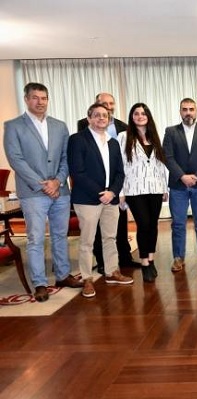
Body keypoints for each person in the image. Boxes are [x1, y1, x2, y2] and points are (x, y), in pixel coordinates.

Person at [4, 82, 82, 302]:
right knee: (35, 238)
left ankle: (63, 275)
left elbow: (66, 157)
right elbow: (16, 160)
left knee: (60, 235)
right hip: (33, 192)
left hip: (60, 191)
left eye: (44, 98)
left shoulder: (59, 126)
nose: (40, 102)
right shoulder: (13, 126)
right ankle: (39, 283)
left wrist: (57, 181)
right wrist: (43, 185)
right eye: (35, 97)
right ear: (26, 99)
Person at [68, 103, 133, 298]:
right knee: (87, 241)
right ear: (89, 118)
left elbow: (120, 172)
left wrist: (112, 192)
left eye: (105, 115)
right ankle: (87, 278)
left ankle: (112, 272)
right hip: (87, 199)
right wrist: (100, 193)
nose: (101, 118)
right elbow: (77, 172)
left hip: (111, 199)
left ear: (109, 119)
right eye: (96, 115)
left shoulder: (113, 143)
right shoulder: (78, 140)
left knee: (110, 237)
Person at [77, 92, 139, 273]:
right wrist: (100, 191)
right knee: (94, 234)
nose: (108, 108)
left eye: (111, 104)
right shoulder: (82, 129)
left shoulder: (122, 128)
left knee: (116, 229)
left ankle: (123, 260)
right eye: (104, 104)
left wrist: (115, 190)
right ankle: (99, 265)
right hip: (92, 192)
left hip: (115, 189)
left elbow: (123, 163)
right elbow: (81, 166)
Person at [118, 103, 168, 283]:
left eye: (143, 113)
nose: (140, 116)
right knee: (143, 224)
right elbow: (120, 165)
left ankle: (151, 259)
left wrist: (164, 188)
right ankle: (144, 262)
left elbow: (160, 164)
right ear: (132, 117)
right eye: (136, 113)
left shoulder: (154, 137)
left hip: (155, 188)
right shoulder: (123, 137)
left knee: (153, 224)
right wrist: (121, 192)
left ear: (148, 116)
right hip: (134, 189)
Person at [163, 98, 197, 272]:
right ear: (180, 112)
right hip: (178, 186)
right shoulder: (171, 132)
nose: (188, 113)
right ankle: (178, 258)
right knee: (178, 223)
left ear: (196, 111)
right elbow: (168, 157)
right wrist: (182, 176)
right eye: (185, 109)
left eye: (191, 109)